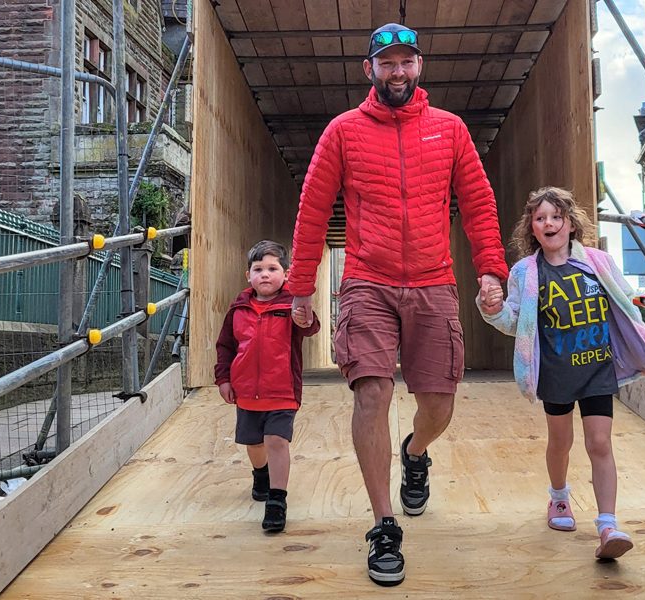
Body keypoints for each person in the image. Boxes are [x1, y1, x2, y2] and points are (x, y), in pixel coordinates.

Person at [289, 23, 508, 586]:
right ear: (370, 70)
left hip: (434, 282)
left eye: (406, 61)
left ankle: (416, 451)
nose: (397, 71)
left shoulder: (451, 131)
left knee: (439, 404)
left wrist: (491, 270)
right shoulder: (342, 132)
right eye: (387, 62)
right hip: (367, 280)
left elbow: (478, 203)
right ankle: (384, 524)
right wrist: (299, 288)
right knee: (372, 392)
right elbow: (313, 211)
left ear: (419, 67)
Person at [477, 187, 645, 560]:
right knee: (560, 443)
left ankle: (608, 525)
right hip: (556, 372)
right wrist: (491, 309)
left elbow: (624, 304)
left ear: (570, 223)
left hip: (597, 367)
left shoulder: (597, 262)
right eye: (540, 218)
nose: (549, 223)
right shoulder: (525, 273)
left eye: (556, 216)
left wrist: (638, 342)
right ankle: (559, 498)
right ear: (532, 228)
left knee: (599, 443)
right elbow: (515, 321)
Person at [214, 240, 320, 534]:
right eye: (258, 269)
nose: (265, 274)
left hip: (282, 390)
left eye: (273, 268)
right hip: (246, 392)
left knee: (276, 441)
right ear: (248, 275)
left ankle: (277, 501)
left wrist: (305, 316)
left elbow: (311, 327)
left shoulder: (290, 306)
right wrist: (223, 378)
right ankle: (260, 473)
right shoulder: (238, 309)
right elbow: (225, 346)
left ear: (285, 274)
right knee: (254, 443)